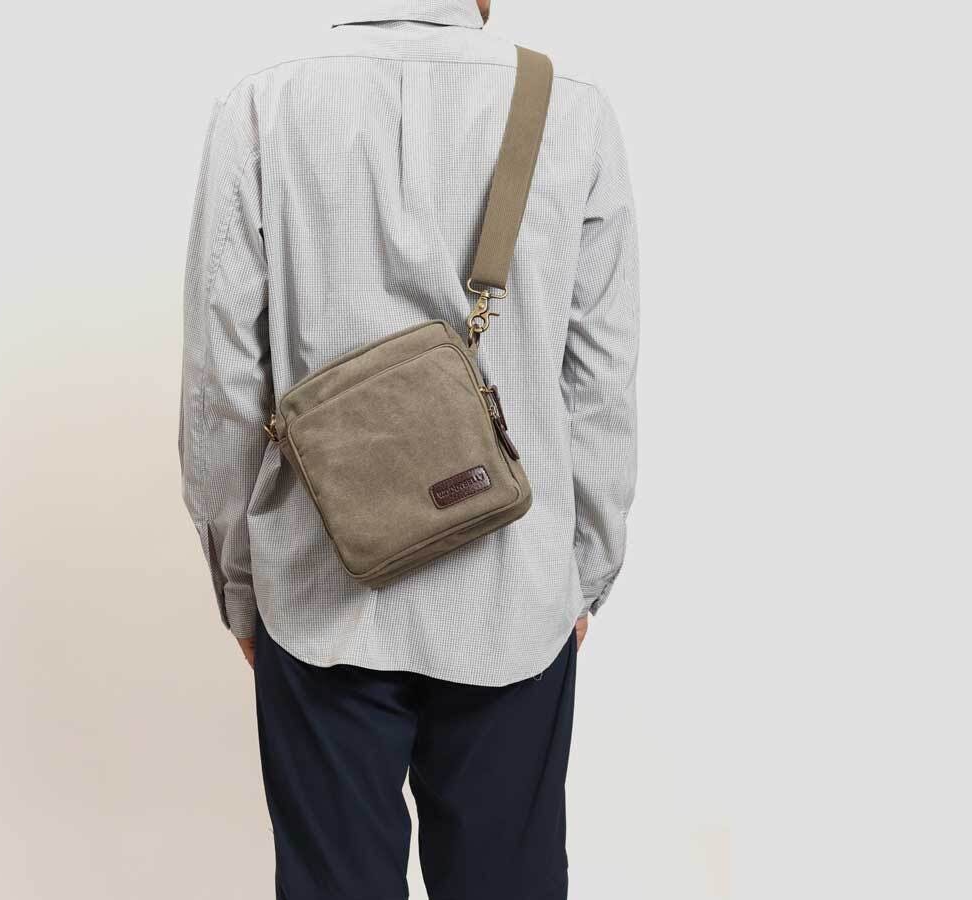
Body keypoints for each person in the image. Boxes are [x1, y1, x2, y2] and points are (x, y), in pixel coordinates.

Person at [176, 1, 639, 896]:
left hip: (318, 592)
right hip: (515, 597)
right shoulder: (571, 108)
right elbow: (601, 376)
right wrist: (583, 572)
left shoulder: (263, 106)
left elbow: (219, 382)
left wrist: (243, 584)